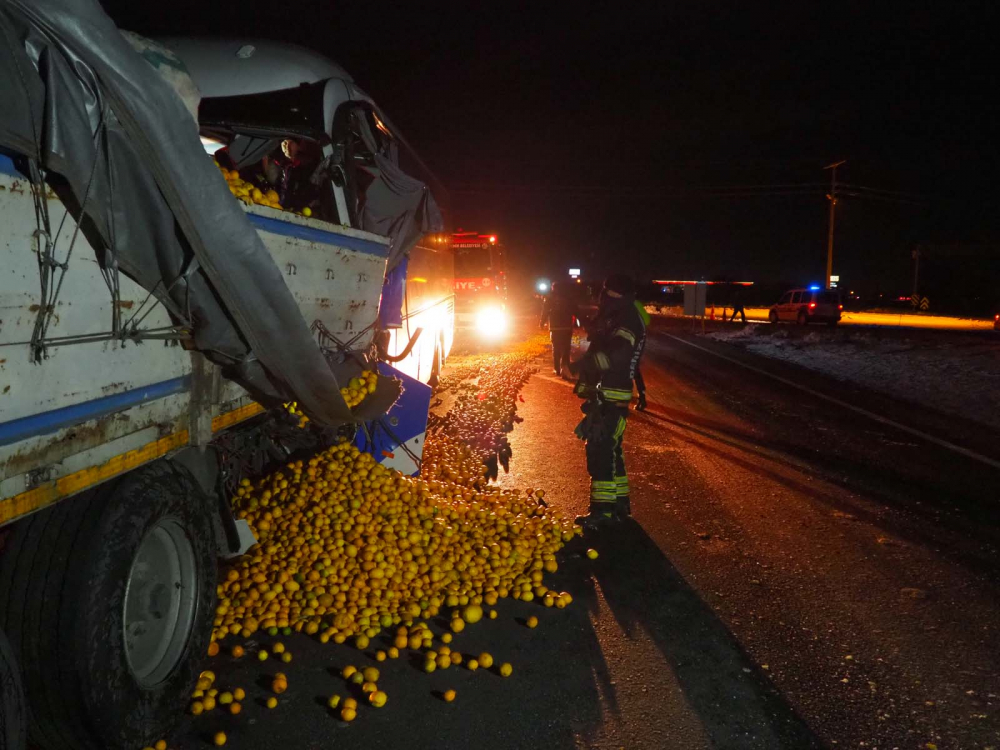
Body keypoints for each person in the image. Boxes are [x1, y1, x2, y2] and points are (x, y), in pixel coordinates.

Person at [569, 273, 647, 528]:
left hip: (611, 397)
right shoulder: (617, 316)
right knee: (612, 450)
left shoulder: (627, 320)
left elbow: (617, 356)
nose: (602, 296)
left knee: (600, 452)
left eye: (606, 291)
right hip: (608, 395)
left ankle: (602, 512)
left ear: (616, 294)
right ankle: (620, 505)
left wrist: (587, 363)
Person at [539, 281, 577, 377]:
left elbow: (545, 311)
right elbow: (575, 310)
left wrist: (542, 323)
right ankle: (565, 367)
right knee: (566, 348)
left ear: (553, 288)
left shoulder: (549, 298)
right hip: (567, 327)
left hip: (555, 327)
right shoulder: (569, 298)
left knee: (556, 348)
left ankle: (557, 369)